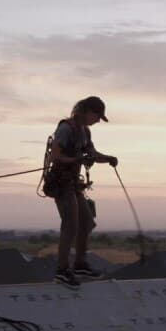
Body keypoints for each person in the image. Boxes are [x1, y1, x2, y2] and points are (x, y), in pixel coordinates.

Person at [49, 96, 118, 289]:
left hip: (73, 184)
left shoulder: (84, 131)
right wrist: (75, 160)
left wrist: (108, 158)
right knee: (70, 225)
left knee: (86, 222)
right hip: (61, 183)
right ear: (86, 111)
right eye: (97, 116)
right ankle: (62, 271)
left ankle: (80, 265)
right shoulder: (66, 128)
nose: (97, 121)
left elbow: (92, 154)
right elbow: (56, 155)